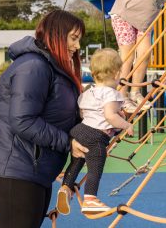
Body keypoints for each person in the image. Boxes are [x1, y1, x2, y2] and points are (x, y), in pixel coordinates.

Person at [0, 10, 89, 228]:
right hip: (16, 172)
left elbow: (60, 115)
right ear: (57, 35)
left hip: (35, 172)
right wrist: (68, 143)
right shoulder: (34, 67)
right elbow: (23, 120)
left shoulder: (54, 70)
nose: (77, 46)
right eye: (73, 38)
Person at [56, 48, 134, 215]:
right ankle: (90, 199)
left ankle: (65, 187)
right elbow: (110, 116)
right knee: (95, 168)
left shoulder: (88, 91)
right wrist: (126, 125)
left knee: (77, 161)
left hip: (79, 130)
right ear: (115, 73)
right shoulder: (111, 94)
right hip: (96, 136)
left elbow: (84, 113)